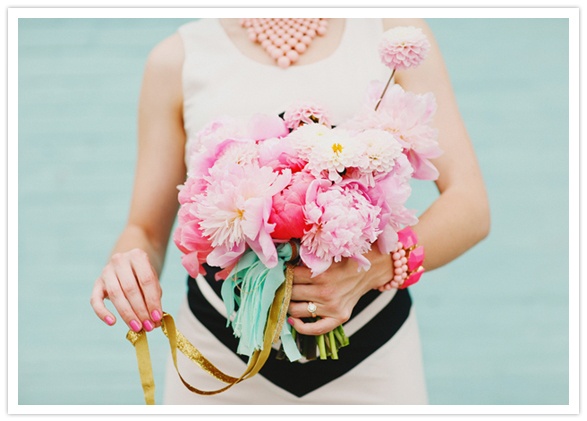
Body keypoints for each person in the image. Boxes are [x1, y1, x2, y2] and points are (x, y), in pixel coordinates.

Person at [90, 17, 490, 405]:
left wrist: (378, 267)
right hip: (218, 358)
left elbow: (470, 206)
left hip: (373, 354)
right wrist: (127, 264)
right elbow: (145, 229)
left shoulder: (394, 36)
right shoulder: (178, 57)